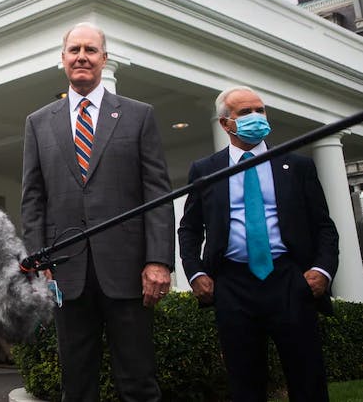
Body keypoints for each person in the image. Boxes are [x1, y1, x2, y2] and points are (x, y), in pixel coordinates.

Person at [21, 22, 174, 402]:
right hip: (67, 275)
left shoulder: (139, 116)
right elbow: (33, 199)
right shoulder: (38, 123)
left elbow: (157, 192)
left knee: (138, 382)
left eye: (91, 50)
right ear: (63, 60)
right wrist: (39, 259)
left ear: (104, 59)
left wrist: (158, 261)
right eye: (74, 50)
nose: (82, 57)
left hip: (128, 272)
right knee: (77, 386)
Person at [178, 86, 339, 401]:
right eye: (245, 112)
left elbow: (324, 227)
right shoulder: (205, 170)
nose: (256, 118)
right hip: (233, 285)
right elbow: (189, 229)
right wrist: (196, 273)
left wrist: (322, 269)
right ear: (226, 124)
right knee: (245, 382)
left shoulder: (298, 166)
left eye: (260, 110)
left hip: (290, 280)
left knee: (308, 378)